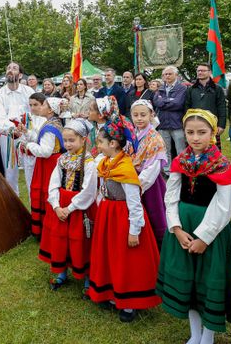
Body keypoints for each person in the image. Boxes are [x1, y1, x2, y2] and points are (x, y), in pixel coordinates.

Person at [158, 109, 231, 344]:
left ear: (213, 133)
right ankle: (195, 333)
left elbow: (223, 205)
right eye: (190, 132)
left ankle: (208, 336)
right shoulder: (180, 160)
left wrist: (204, 237)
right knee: (189, 282)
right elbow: (171, 195)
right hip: (183, 226)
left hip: (210, 230)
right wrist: (175, 227)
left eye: (202, 132)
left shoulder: (221, 165)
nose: (195, 138)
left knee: (206, 281)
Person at [87, 118, 161, 323]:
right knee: (111, 255)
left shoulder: (125, 168)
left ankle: (130, 301)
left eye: (100, 142)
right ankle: (111, 293)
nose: (97, 145)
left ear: (112, 144)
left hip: (123, 218)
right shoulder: (106, 162)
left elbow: (135, 203)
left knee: (127, 259)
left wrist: (134, 230)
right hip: (109, 214)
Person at [39, 118, 97, 294]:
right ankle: (61, 271)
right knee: (60, 238)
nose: (68, 144)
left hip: (80, 207)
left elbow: (89, 190)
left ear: (83, 140)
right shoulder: (62, 159)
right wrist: (56, 206)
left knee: (81, 240)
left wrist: (70, 208)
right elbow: (54, 183)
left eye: (72, 140)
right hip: (61, 205)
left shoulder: (88, 162)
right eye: (65, 141)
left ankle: (87, 276)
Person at [23, 94, 65, 239]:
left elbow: (45, 151)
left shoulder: (49, 127)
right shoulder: (53, 122)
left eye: (44, 105)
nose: (41, 107)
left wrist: (27, 145)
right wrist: (27, 133)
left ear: (50, 110)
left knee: (46, 192)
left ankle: (45, 230)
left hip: (48, 164)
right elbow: (42, 139)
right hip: (51, 162)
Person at [129, 99, 168, 247]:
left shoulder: (155, 138)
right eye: (136, 115)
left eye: (143, 115)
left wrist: (138, 186)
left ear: (151, 115)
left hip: (149, 184)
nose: (139, 118)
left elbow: (153, 168)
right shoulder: (133, 134)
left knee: (154, 214)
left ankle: (157, 248)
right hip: (133, 179)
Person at [0, 61, 35, 195]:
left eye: (14, 68)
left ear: (20, 74)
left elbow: (35, 112)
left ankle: (33, 204)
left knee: (30, 167)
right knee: (10, 171)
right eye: (8, 68)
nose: (10, 70)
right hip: (9, 136)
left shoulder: (28, 91)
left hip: (27, 134)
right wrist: (12, 127)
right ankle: (13, 204)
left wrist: (26, 128)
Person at [184, 63, 227, 146]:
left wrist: (221, 125)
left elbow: (222, 107)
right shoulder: (191, 89)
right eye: (198, 70)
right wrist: (187, 123)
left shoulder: (217, 88)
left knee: (213, 152)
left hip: (212, 125)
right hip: (194, 125)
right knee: (195, 150)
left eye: (203, 70)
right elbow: (187, 107)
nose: (200, 72)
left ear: (209, 72)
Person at [155, 66, 188, 164]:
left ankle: (183, 172)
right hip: (163, 124)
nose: (167, 76)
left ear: (176, 75)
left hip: (177, 124)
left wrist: (163, 102)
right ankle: (167, 172)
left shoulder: (182, 88)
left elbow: (178, 103)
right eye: (165, 74)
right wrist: (169, 101)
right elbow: (157, 102)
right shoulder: (160, 88)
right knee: (165, 151)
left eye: (170, 74)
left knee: (181, 151)